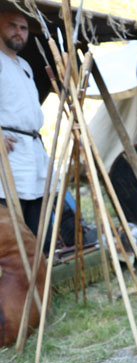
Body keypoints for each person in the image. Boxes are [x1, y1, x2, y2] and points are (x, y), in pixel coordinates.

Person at [0, 10, 48, 235]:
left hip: (33, 148)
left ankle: (35, 267)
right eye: (12, 26)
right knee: (11, 220)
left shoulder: (25, 65)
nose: (18, 32)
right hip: (9, 149)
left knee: (35, 217)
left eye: (23, 28)